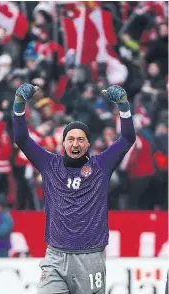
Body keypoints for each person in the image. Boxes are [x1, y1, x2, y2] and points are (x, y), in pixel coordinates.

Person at [13, 83, 136, 294]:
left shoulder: (101, 165)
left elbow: (127, 138)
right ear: (63, 143)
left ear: (88, 144)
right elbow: (21, 138)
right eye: (70, 139)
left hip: (90, 259)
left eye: (80, 139)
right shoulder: (49, 164)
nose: (75, 143)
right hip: (55, 257)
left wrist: (123, 106)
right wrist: (18, 104)